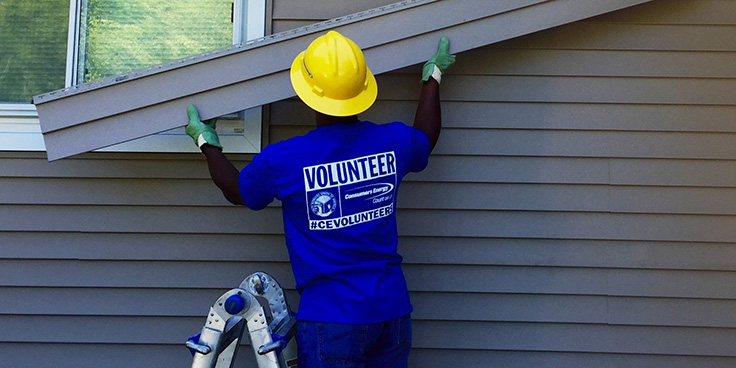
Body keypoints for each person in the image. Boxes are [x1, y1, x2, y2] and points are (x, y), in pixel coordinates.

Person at [185, 31, 455, 368]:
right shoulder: (393, 142)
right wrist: (433, 78)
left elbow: (238, 190)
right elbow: (425, 138)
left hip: (333, 320)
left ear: (308, 95)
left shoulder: (284, 161)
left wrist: (206, 142)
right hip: (392, 314)